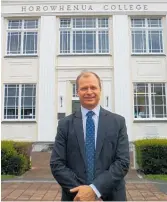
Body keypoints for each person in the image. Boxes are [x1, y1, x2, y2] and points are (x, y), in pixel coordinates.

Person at [50, 71, 130, 201]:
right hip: (75, 196)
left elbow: (122, 162)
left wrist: (94, 189)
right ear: (77, 92)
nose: (89, 92)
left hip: (112, 196)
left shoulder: (118, 122)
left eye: (93, 87)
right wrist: (82, 192)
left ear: (100, 90)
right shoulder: (65, 124)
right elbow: (56, 163)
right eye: (83, 88)